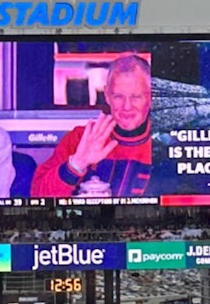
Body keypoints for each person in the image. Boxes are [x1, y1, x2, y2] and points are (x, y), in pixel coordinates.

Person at [31, 54, 151, 197]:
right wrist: (76, 163)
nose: (127, 106)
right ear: (107, 95)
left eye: (136, 97)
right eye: (118, 96)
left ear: (152, 96)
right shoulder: (81, 138)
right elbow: (38, 196)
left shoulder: (168, 145)